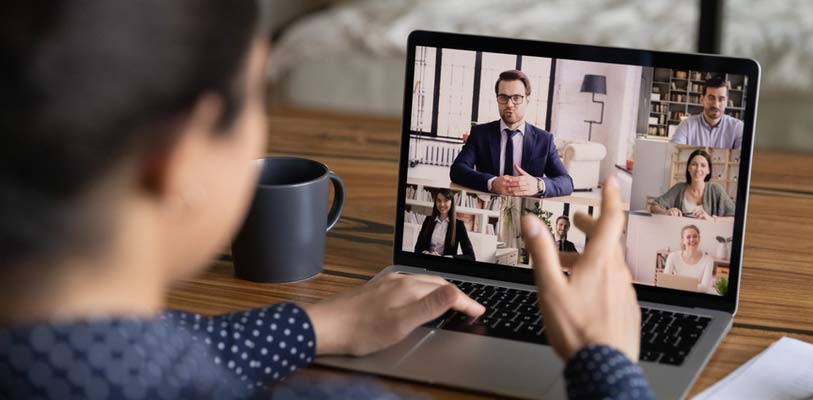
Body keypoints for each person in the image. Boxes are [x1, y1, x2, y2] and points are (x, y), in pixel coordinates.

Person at [0, 2, 652, 399]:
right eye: (258, 97)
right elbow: (460, 170)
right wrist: (608, 362)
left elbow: (152, 341)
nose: (509, 105)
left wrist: (317, 325)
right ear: (177, 158)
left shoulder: (541, 140)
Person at [449, 70, 573, 198]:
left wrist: (538, 185)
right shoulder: (480, 134)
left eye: (516, 98)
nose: (509, 104)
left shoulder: (544, 140)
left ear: (527, 100)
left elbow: (566, 182)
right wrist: (491, 183)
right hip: (488, 209)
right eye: (503, 97)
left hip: (526, 212)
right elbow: (457, 170)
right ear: (497, 99)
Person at [651, 149, 735, 219]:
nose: (698, 169)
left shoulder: (716, 189)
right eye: (694, 164)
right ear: (688, 168)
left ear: (708, 170)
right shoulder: (679, 188)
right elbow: (654, 206)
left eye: (703, 165)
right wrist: (667, 212)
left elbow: (734, 217)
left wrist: (711, 219)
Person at [669, 77, 744, 149]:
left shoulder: (738, 127)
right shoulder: (686, 125)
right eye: (711, 98)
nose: (716, 104)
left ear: (727, 102)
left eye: (721, 99)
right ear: (702, 99)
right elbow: (673, 151)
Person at [414, 189, 475, 260]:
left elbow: (470, 256)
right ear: (435, 202)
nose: (442, 204)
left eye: (446, 200)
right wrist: (427, 253)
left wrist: (449, 257)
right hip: (427, 262)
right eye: (439, 200)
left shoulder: (459, 225)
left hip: (446, 265)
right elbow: (418, 248)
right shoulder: (428, 220)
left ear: (451, 202)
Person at [663, 225, 715, 293]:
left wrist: (677, 285)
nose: (692, 239)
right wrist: (690, 286)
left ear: (699, 238)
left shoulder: (708, 260)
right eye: (688, 237)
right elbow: (665, 281)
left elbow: (704, 288)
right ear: (683, 240)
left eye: (695, 236)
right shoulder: (673, 256)